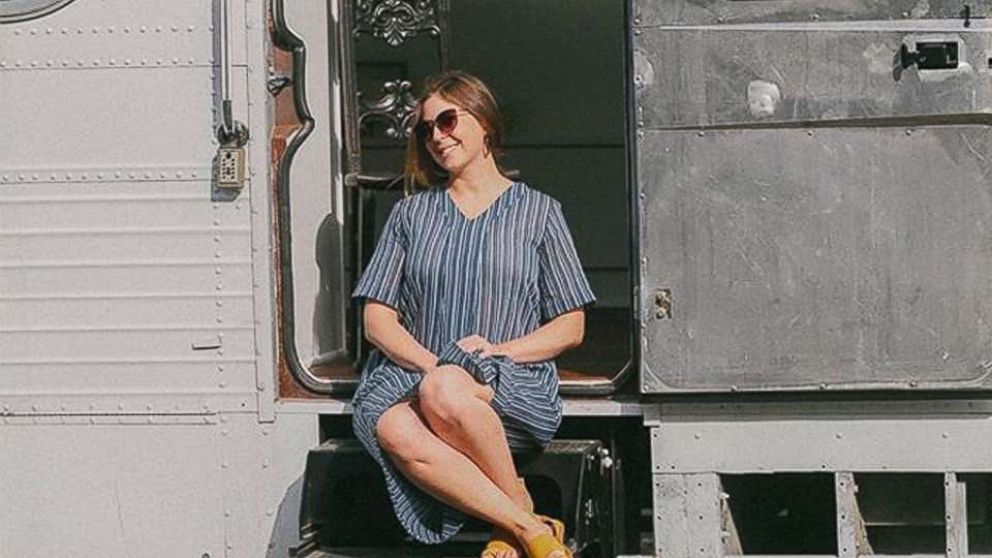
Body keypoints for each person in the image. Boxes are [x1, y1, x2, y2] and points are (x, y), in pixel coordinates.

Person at [350, 70, 596, 558]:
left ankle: (517, 523)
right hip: (412, 377)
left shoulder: (540, 213)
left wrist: (500, 352)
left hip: (507, 378)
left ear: (484, 123)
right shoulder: (410, 216)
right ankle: (525, 521)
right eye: (425, 129)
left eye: (447, 120)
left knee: (446, 390)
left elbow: (571, 326)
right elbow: (377, 321)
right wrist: (434, 365)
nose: (437, 137)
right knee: (395, 425)